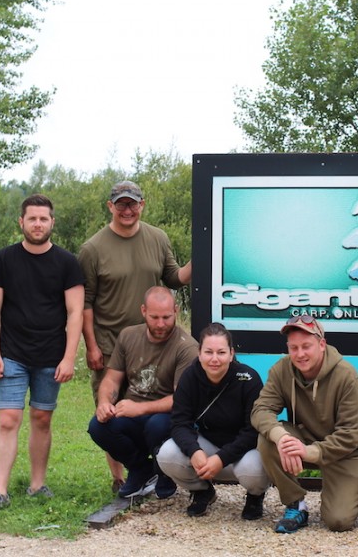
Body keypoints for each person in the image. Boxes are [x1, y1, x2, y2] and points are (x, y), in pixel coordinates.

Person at [79, 180, 192, 490]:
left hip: (157, 343)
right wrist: (90, 345)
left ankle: (157, 470)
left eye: (133, 203)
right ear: (110, 207)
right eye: (121, 204)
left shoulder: (158, 238)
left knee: (153, 414)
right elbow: (84, 303)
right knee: (108, 414)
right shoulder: (92, 248)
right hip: (110, 344)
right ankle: (121, 478)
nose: (127, 209)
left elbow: (174, 277)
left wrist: (202, 257)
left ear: (142, 204)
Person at [0, 194, 84, 516]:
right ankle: (0, 492)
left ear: (52, 223)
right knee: (8, 420)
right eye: (32, 218)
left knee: (42, 418)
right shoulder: (4, 260)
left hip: (51, 356)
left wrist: (69, 358)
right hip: (11, 353)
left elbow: (76, 312)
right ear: (21, 222)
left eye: (44, 219)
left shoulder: (67, 263)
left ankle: (38, 485)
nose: (38, 224)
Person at [251, 315, 358, 533]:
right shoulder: (281, 370)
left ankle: (337, 493)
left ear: (322, 344)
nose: (300, 354)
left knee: (339, 521)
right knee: (268, 439)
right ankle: (296, 504)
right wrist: (283, 438)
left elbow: (351, 434)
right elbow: (261, 410)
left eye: (306, 346)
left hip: (345, 453)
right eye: (293, 348)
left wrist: (309, 451)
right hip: (303, 441)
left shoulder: (346, 375)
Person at [87, 286, 198, 500]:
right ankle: (140, 469)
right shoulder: (128, 336)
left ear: (176, 311)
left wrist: (139, 408)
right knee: (98, 427)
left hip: (167, 417)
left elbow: (181, 400)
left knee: (156, 425)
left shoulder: (187, 347)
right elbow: (111, 379)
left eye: (166, 317)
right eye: (154, 317)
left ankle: (164, 471)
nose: (160, 324)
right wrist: (103, 403)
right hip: (132, 412)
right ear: (143, 311)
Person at [157, 323, 269, 519]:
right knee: (167, 454)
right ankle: (202, 491)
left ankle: (255, 496)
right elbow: (179, 423)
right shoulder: (190, 376)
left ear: (231, 353)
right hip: (208, 445)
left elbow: (253, 431)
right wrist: (194, 451)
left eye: (221, 352)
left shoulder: (249, 379)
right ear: (199, 353)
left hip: (243, 452)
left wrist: (222, 458)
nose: (214, 359)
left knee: (254, 470)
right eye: (208, 352)